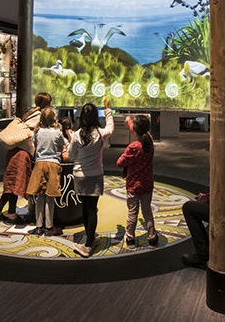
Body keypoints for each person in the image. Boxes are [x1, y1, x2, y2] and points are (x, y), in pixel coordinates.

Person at [0, 92, 51, 222]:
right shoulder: (39, 117)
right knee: (15, 184)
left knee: (11, 183)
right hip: (22, 153)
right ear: (47, 103)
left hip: (14, 151)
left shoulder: (29, 114)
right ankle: (9, 213)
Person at [66, 98, 114, 258]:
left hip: (79, 176)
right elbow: (111, 127)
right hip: (95, 176)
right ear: (95, 117)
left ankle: (89, 241)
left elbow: (71, 156)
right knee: (92, 209)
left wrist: (70, 139)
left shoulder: (77, 135)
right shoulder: (100, 134)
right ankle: (89, 242)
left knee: (85, 208)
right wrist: (107, 109)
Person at [116, 114, 158, 247]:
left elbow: (120, 163)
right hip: (147, 184)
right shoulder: (149, 141)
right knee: (147, 211)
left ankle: (130, 237)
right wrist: (129, 121)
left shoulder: (133, 147)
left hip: (133, 185)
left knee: (132, 212)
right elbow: (138, 130)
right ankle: (152, 236)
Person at [25, 106, 65, 235]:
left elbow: (35, 146)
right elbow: (62, 146)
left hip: (39, 164)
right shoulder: (57, 133)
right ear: (54, 119)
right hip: (53, 165)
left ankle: (38, 226)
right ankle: (49, 226)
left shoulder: (38, 132)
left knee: (40, 197)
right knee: (50, 197)